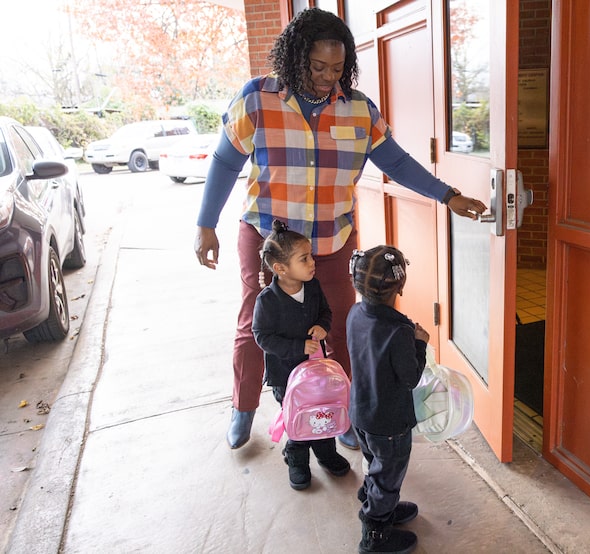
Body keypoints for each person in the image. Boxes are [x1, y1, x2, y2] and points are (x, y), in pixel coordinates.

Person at [194, 7, 487, 451]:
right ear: (295, 57)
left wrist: (448, 195)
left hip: (331, 241)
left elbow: (398, 163)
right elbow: (224, 162)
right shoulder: (257, 99)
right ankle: (244, 406)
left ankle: (343, 410)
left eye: (337, 67)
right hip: (269, 243)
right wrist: (206, 224)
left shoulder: (358, 110)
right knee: (256, 325)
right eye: (317, 67)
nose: (328, 76)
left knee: (340, 327)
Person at [252, 220, 351, 490]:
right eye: (304, 259)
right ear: (281, 269)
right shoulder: (267, 301)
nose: (312, 263)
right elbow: (262, 336)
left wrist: (323, 326)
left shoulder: (313, 286)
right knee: (299, 417)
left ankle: (326, 453)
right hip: (286, 375)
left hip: (315, 371)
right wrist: (297, 347)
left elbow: (325, 313)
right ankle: (297, 459)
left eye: (310, 256)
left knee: (322, 411)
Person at [347, 245, 426, 554]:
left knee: (376, 463)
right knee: (389, 474)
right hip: (390, 422)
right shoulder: (400, 330)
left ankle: (374, 497)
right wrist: (419, 344)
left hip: (361, 412)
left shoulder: (355, 313)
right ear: (400, 286)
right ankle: (375, 531)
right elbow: (410, 378)